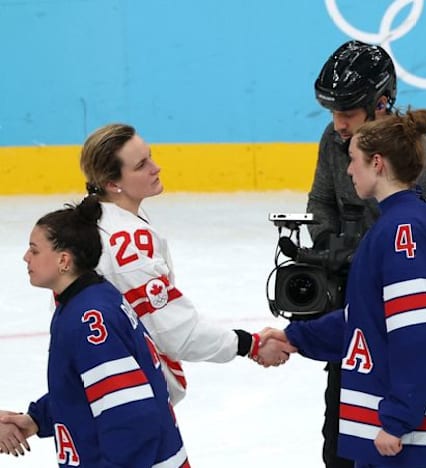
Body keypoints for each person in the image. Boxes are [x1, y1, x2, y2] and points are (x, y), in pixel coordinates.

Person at [268, 108, 426, 467]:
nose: (348, 170)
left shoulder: (404, 232)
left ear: (377, 163)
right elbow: (369, 319)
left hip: (409, 443)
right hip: (406, 436)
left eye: (354, 159)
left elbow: (423, 334)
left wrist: (398, 419)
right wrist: (295, 338)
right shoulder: (411, 220)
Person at [307, 39, 426, 468]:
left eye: (347, 113)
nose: (338, 125)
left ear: (381, 103)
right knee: (339, 450)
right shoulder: (333, 141)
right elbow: (321, 201)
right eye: (332, 112)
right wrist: (330, 248)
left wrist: (374, 263)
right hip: (355, 323)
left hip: (406, 325)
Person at [80, 123, 294, 404]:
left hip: (107, 386)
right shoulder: (128, 243)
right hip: (127, 395)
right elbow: (176, 332)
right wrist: (249, 344)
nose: (156, 168)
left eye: (150, 157)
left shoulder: (95, 221)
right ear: (112, 183)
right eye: (141, 165)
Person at [0, 199, 187, 466]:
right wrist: (37, 419)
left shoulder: (88, 319)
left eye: (34, 250)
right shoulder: (89, 299)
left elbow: (131, 416)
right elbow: (86, 389)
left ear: (63, 260)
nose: (26, 257)